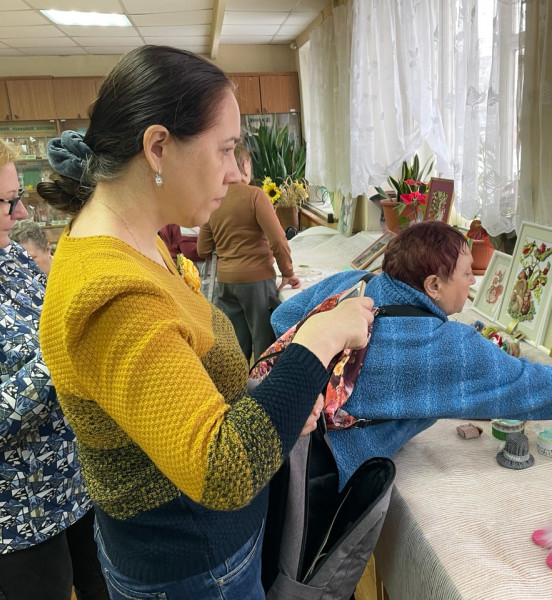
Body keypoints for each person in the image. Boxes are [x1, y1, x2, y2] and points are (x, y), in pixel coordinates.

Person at [35, 45, 372, 600]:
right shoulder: (111, 294)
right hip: (191, 563)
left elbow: (179, 394)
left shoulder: (136, 242)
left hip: (199, 548)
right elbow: (222, 469)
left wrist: (275, 407)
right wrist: (323, 335)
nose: (237, 171)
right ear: (158, 147)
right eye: (226, 149)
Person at [271, 220, 552, 488]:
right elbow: (531, 384)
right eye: (465, 273)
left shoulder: (354, 283)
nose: (473, 281)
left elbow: (283, 317)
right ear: (433, 285)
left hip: (280, 436)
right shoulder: (445, 346)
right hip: (322, 475)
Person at [0, 123, 107, 599]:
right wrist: (64, 346)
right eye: (6, 201)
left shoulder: (11, 260)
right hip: (6, 520)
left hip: (72, 485)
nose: (20, 213)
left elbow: (56, 320)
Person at [197, 142, 301, 362]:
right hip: (257, 281)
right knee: (264, 345)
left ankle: (239, 384)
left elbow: (203, 248)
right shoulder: (255, 196)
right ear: (245, 165)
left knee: (236, 347)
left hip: (226, 282)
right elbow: (278, 240)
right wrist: (288, 273)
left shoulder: (214, 199)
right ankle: (263, 383)